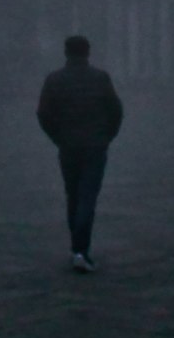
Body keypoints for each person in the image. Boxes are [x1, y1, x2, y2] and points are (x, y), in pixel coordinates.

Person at [36, 34, 123, 273]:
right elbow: (116, 111)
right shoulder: (100, 78)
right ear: (88, 53)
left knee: (73, 195)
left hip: (68, 146)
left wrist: (58, 138)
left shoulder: (54, 80)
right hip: (95, 146)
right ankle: (80, 250)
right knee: (87, 197)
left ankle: (77, 248)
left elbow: (43, 114)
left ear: (66, 53)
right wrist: (107, 137)